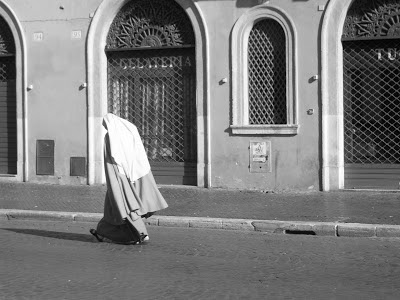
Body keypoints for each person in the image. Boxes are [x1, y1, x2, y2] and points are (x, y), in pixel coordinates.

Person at [90, 113, 168, 244]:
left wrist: (115, 180)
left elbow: (111, 162)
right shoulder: (128, 135)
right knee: (114, 208)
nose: (105, 127)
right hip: (131, 176)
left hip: (119, 179)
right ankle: (103, 232)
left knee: (125, 205)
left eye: (105, 125)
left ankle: (139, 233)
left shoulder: (110, 138)